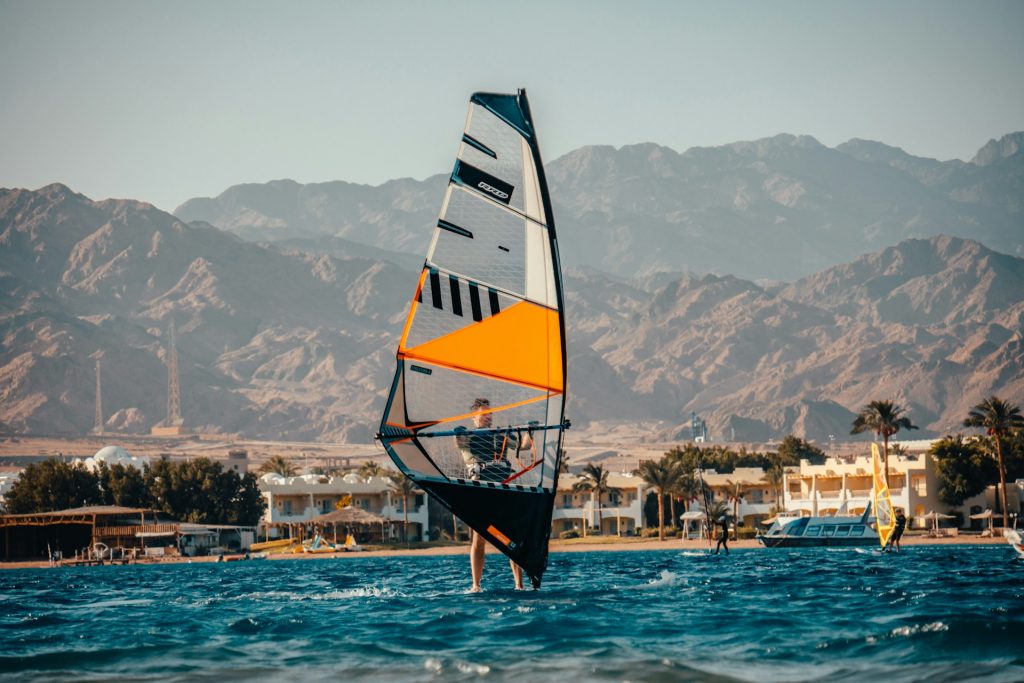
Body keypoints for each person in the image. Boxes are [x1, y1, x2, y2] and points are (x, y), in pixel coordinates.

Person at [454, 398, 532, 592]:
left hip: (502, 489)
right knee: (479, 538)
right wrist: (458, 431)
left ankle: (519, 585)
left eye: (490, 414)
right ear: (474, 416)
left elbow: (524, 446)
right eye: (484, 414)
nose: (489, 417)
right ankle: (476, 585)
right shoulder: (467, 436)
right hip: (480, 491)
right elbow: (459, 441)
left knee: (511, 537)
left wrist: (530, 431)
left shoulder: (502, 435)